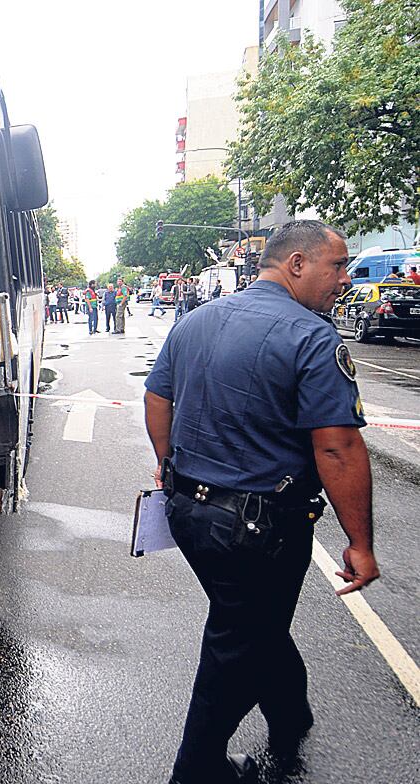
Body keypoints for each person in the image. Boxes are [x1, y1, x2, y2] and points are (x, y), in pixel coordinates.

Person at [144, 220, 380, 784]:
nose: (345, 279)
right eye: (338, 265)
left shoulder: (196, 320)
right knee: (238, 639)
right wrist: (360, 544)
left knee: (252, 620)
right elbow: (338, 447)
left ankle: (289, 716)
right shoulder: (314, 337)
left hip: (190, 511)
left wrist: (168, 464)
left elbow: (156, 396)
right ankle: (196, 770)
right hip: (258, 528)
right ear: (296, 264)